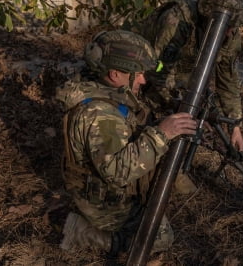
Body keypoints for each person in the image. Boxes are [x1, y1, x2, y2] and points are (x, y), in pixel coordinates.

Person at [55, 30, 197, 256]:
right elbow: (117, 173)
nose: (143, 79)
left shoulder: (105, 90)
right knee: (159, 239)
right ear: (114, 74)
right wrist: (161, 134)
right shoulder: (100, 114)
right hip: (103, 200)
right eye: (137, 73)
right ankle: (79, 231)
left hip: (101, 186)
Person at [131, 0, 243, 152]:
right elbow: (157, 68)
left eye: (232, 26)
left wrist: (234, 126)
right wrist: (184, 108)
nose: (229, 32)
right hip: (141, 73)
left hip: (181, 78)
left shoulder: (230, 34)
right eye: (227, 26)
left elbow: (228, 81)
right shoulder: (178, 19)